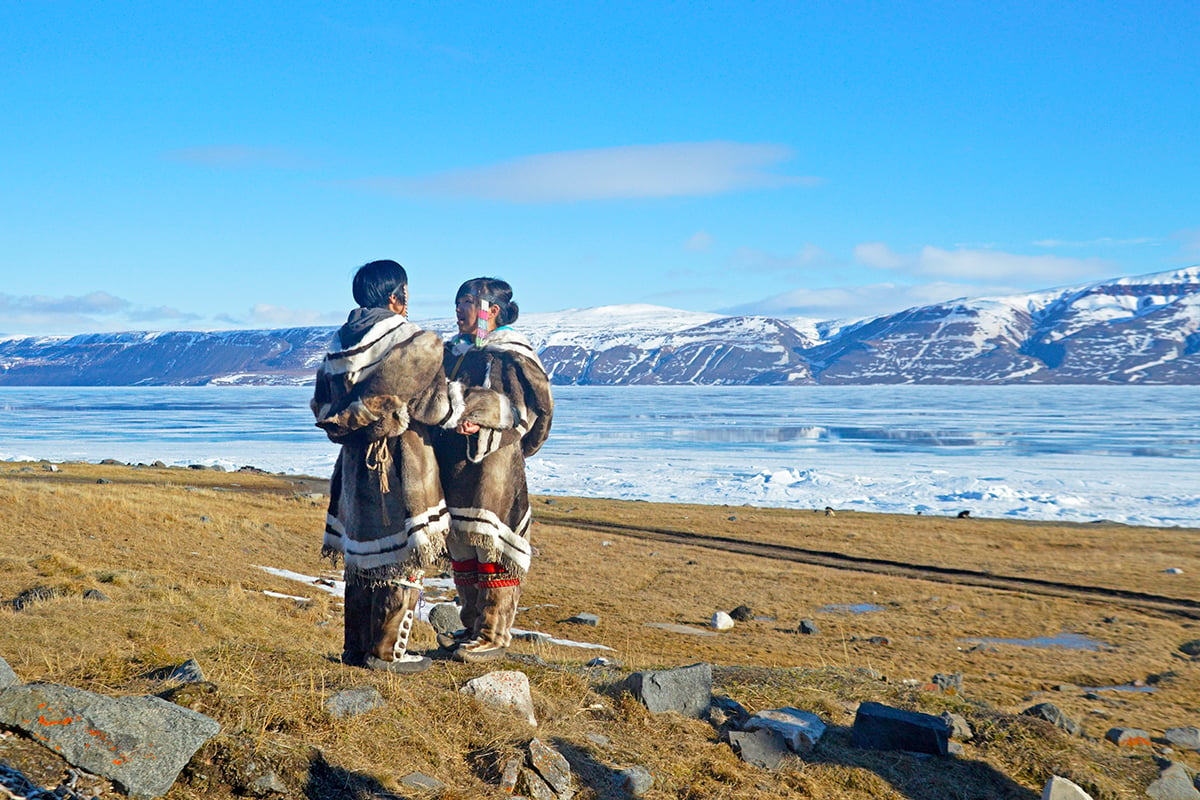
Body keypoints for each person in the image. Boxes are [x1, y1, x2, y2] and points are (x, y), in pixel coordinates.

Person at [311, 259, 465, 673]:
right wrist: (471, 407)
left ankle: (355, 648)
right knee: (404, 552)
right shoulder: (416, 342)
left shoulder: (339, 342)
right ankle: (387, 652)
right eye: (407, 294)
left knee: (361, 553)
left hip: (354, 461)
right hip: (403, 459)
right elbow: (433, 407)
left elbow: (324, 406)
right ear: (398, 296)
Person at [434, 277, 554, 662]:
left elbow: (528, 414)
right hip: (454, 468)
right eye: (458, 301)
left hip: (494, 471)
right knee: (462, 550)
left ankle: (494, 633)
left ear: (492, 311)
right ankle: (471, 626)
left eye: (467, 302)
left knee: (492, 549)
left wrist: (488, 425)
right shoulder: (454, 353)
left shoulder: (511, 356)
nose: (459, 309)